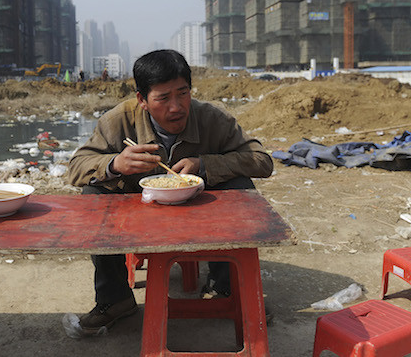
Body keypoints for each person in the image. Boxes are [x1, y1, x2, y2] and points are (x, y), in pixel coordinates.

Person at [67, 49, 273, 335]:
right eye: (163, 98)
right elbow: (76, 167)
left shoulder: (211, 118)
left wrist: (205, 165)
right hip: (139, 213)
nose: (176, 107)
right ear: (142, 100)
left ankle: (224, 287)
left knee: (240, 188)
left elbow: (261, 160)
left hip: (200, 209)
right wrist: (115, 163)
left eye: (183, 93)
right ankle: (114, 299)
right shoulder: (118, 121)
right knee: (93, 194)